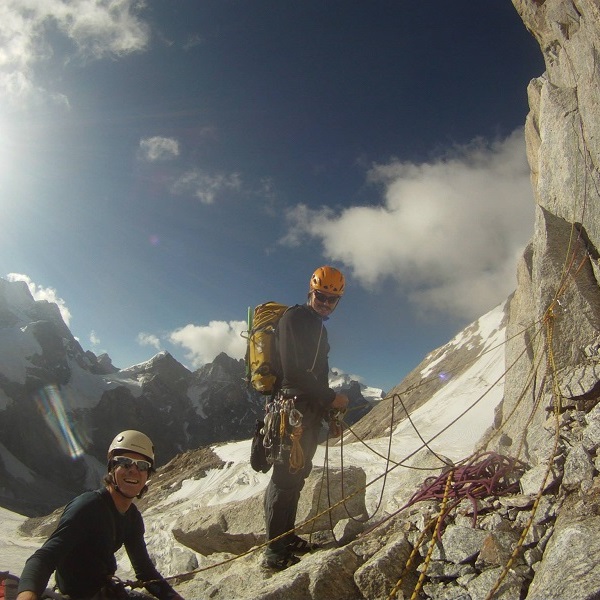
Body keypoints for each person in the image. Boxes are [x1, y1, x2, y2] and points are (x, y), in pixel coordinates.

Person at [17, 430, 184, 600]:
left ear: (147, 474)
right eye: (125, 463)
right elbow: (45, 557)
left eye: (142, 465)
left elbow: (145, 571)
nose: (133, 470)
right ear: (112, 468)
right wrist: (27, 595)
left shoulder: (132, 517)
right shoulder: (88, 507)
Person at [262, 265, 349, 570]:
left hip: (309, 414)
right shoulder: (294, 318)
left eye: (331, 300)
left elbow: (319, 377)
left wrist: (329, 413)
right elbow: (294, 372)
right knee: (285, 478)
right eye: (321, 296)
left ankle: (287, 537)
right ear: (311, 291)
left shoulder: (320, 329)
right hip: (290, 410)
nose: (325, 303)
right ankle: (273, 552)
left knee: (298, 476)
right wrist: (331, 398)